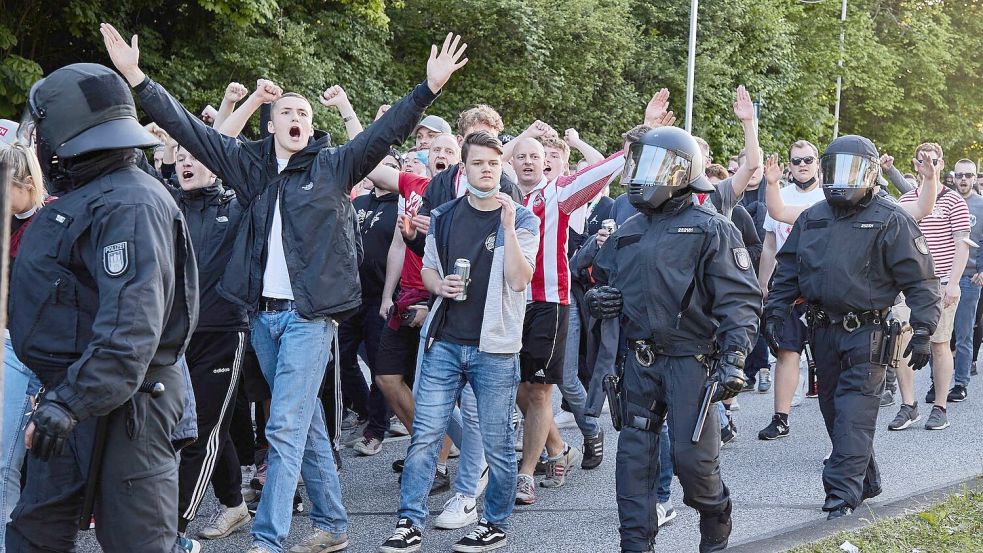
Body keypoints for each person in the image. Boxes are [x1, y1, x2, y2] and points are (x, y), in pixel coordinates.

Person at [102, 22, 470, 553]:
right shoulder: (249, 167)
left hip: (310, 316)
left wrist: (428, 88)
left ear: (310, 125)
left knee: (284, 425)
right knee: (307, 427)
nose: (295, 118)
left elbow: (384, 131)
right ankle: (334, 525)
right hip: (262, 316)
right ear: (272, 123)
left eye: (302, 113)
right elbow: (187, 130)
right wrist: (137, 79)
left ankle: (268, 540)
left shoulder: (334, 165)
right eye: (287, 112)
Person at [8, 62, 197, 552]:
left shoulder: (129, 202)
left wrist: (70, 402)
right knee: (34, 532)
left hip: (124, 403)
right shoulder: (95, 194)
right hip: (74, 398)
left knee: (137, 542)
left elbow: (130, 329)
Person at [586, 126, 762, 552]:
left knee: (693, 462)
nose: (642, 175)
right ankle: (636, 544)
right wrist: (599, 300)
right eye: (639, 164)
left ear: (684, 172)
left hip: (693, 361)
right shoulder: (628, 230)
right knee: (633, 464)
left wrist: (734, 359)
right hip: (640, 363)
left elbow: (740, 300)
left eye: (655, 166)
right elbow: (597, 276)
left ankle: (715, 520)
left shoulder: (711, 229)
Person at [764, 134, 941, 519]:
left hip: (869, 332)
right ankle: (867, 479)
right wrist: (773, 314)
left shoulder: (890, 218)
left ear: (870, 173)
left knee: (853, 412)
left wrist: (925, 328)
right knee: (832, 410)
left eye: (851, 170)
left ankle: (840, 499)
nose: (842, 179)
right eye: (836, 170)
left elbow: (920, 280)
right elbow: (788, 271)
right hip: (822, 331)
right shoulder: (813, 217)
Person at [378, 131, 539, 553]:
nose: (486, 170)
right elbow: (428, 271)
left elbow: (520, 280)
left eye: (492, 163)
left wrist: (505, 226)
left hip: (496, 347)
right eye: (477, 163)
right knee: (425, 437)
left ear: (500, 167)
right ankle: (408, 522)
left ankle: (495, 523)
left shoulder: (522, 218)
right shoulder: (446, 214)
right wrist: (440, 285)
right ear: (463, 169)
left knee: (499, 440)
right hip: (445, 342)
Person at [165, 145, 251, 549]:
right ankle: (234, 502)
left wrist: (244, 105)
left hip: (223, 332)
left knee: (203, 430)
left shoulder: (235, 206)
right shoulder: (167, 203)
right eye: (180, 156)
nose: (186, 162)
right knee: (203, 425)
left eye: (195, 156)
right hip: (175, 335)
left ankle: (175, 529)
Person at [892, 143, 970, 432]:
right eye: (923, 160)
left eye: (934, 160)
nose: (929, 164)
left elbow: (962, 246)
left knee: (939, 344)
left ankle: (940, 407)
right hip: (907, 285)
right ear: (914, 165)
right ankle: (909, 405)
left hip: (940, 284)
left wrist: (952, 283)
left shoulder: (954, 202)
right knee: (899, 341)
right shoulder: (905, 200)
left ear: (941, 163)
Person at [757, 139, 827, 441]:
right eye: (796, 161)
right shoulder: (778, 195)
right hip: (788, 284)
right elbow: (770, 245)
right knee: (787, 351)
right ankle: (780, 417)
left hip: (823, 285)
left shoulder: (829, 197)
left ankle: (837, 422)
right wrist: (762, 284)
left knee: (828, 355)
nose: (802, 165)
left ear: (818, 163)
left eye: (807, 160)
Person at [0, 138, 50, 547]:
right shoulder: (10, 222)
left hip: (26, 351)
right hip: (9, 345)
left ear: (25, 183)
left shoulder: (50, 222)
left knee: (5, 464)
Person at [947, 160, 982, 402]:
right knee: (938, 336)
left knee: (964, 334)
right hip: (942, 278)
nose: (963, 179)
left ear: (974, 177)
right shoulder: (945, 201)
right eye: (959, 175)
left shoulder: (982, 205)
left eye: (968, 175)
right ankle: (935, 384)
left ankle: (960, 384)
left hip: (970, 279)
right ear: (953, 176)